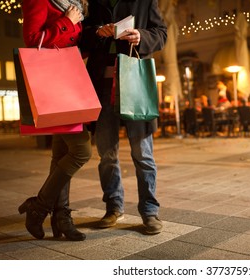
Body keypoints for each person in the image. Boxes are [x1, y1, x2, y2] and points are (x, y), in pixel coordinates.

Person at [81, 0, 167, 234]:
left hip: (134, 83)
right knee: (106, 154)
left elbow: (161, 33)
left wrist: (141, 36)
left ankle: (149, 210)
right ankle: (113, 206)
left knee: (143, 153)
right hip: (101, 85)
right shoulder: (95, 2)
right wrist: (99, 31)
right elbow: (83, 37)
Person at [18, 0, 91, 241]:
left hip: (70, 80)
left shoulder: (75, 3)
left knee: (61, 155)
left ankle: (61, 217)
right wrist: (66, 22)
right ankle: (38, 207)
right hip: (54, 84)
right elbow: (32, 40)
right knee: (81, 151)